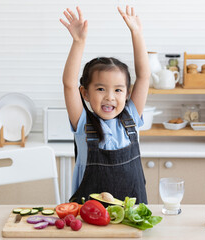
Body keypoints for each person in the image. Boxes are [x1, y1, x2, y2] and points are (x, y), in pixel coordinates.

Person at [60, 5, 150, 204]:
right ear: (85, 93)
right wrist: (78, 41)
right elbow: (68, 84)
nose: (110, 97)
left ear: (127, 94)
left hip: (131, 217)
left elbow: (144, 76)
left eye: (118, 90)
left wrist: (136, 33)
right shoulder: (83, 124)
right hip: (89, 218)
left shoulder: (131, 118)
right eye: (101, 89)